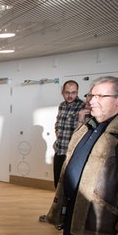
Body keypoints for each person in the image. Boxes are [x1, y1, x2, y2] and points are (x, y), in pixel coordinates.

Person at [48, 76, 118, 235]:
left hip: (104, 219)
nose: (91, 100)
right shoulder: (87, 126)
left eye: (100, 96)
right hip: (76, 210)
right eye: (91, 95)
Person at [40, 80, 85, 222]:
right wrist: (58, 133)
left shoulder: (82, 107)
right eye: (67, 92)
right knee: (57, 186)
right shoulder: (61, 106)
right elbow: (57, 125)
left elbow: (82, 132)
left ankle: (67, 218)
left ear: (77, 92)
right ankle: (57, 215)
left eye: (73, 93)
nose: (70, 96)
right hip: (59, 150)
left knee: (69, 188)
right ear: (62, 92)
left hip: (72, 155)